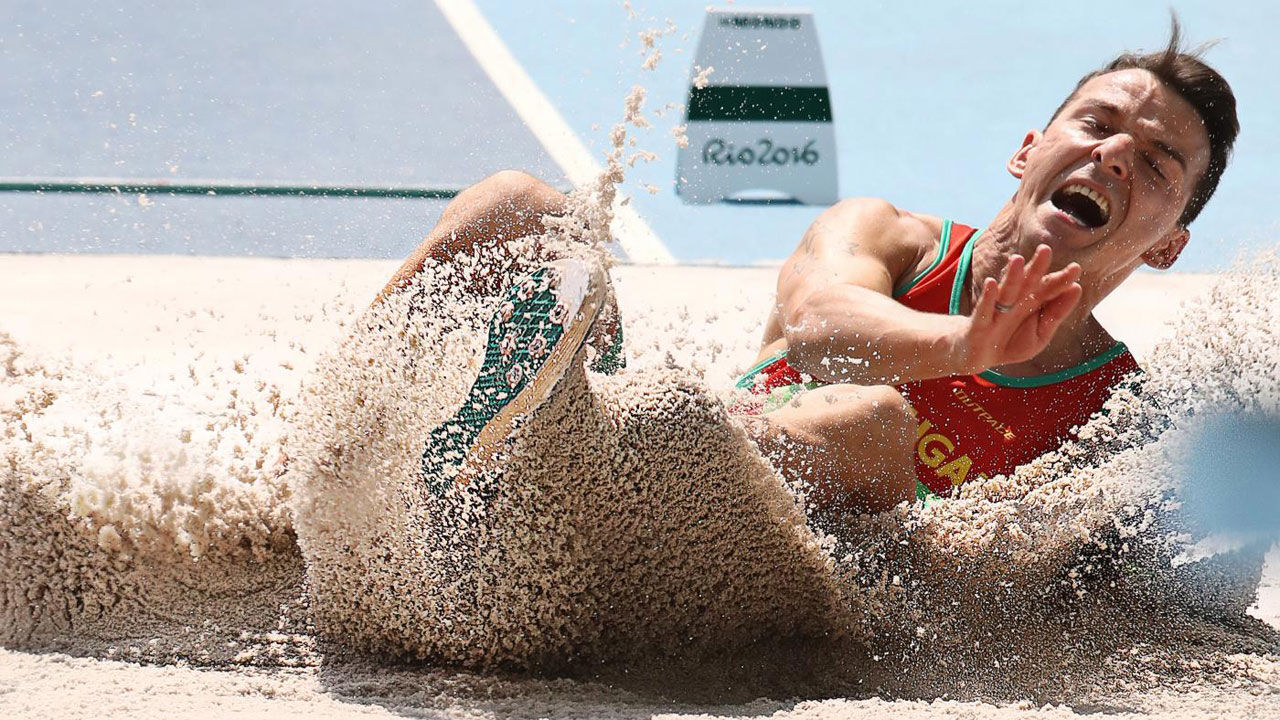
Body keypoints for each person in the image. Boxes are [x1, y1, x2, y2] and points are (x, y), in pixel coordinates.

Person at [392, 21, 1238, 520]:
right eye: (1096, 124)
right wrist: (966, 344)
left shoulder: (1120, 417)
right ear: (1028, 152)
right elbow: (819, 329)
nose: (1115, 154)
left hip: (756, 574)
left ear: (1167, 245)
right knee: (519, 208)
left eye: (1157, 163)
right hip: (646, 462)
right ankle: (348, 474)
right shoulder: (890, 236)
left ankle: (546, 466)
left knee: (870, 423)